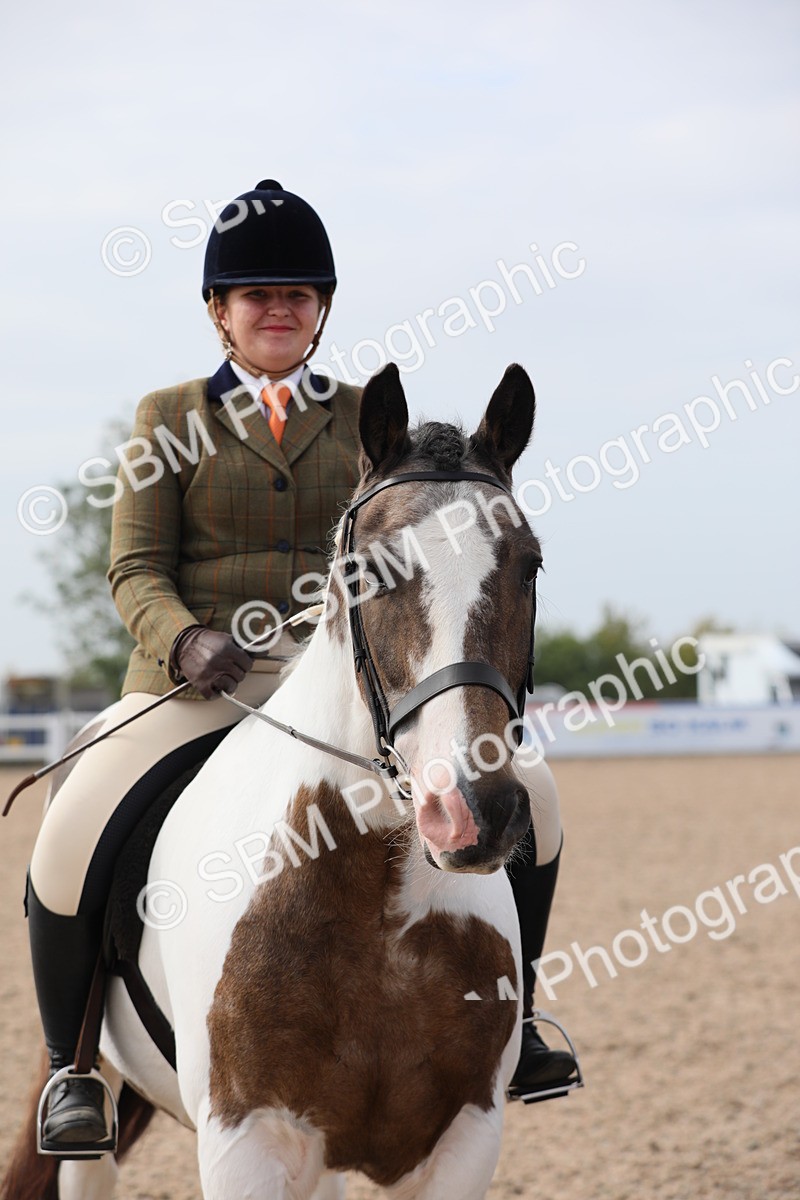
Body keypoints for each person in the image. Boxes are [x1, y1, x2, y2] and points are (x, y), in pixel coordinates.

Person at [24, 179, 575, 1156]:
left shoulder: (371, 417)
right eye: (256, 295)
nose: (277, 310)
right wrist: (184, 637)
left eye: (297, 295)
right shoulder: (166, 417)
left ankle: (517, 1022)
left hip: (337, 684)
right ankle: (73, 1068)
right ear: (218, 312)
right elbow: (133, 566)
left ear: (320, 311)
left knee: (532, 793)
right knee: (74, 819)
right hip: (197, 685)